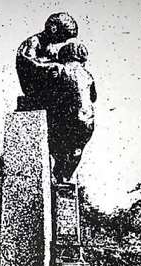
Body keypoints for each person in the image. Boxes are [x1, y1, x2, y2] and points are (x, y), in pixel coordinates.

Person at [48, 42, 97, 182]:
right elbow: (93, 97)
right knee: (77, 149)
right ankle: (65, 175)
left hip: (66, 117)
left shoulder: (60, 69)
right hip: (86, 120)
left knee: (59, 147)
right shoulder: (88, 75)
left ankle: (59, 173)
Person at [16, 12, 79, 109]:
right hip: (34, 87)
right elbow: (30, 63)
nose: (62, 41)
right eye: (62, 37)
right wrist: (54, 66)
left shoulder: (51, 46)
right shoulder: (33, 42)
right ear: (54, 29)